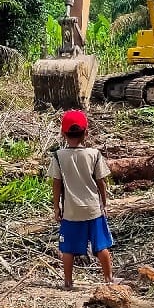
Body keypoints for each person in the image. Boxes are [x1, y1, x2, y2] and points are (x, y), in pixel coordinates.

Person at [48, 110, 117, 289]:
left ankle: (68, 282)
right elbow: (101, 182)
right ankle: (109, 279)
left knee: (68, 249)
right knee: (101, 246)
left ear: (63, 134)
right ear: (86, 133)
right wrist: (104, 203)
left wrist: (57, 207)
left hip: (71, 211)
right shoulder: (94, 154)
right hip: (93, 208)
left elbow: (57, 184)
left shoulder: (58, 156)